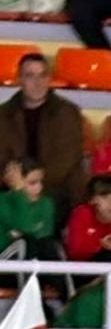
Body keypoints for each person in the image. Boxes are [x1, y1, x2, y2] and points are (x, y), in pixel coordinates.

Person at [0, 54, 87, 217]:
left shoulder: (67, 112)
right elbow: (2, 157)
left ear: (49, 79)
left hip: (55, 188)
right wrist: (16, 183)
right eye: (30, 76)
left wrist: (32, 185)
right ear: (19, 80)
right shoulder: (3, 114)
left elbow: (66, 160)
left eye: (42, 75)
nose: (37, 83)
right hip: (12, 186)